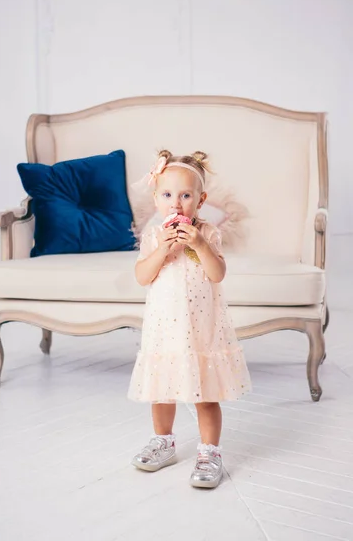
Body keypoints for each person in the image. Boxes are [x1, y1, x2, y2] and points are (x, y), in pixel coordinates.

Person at [128, 149, 251, 488]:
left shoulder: (208, 233)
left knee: (205, 393)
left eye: (185, 195)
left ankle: (210, 451)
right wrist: (162, 251)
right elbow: (142, 276)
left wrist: (199, 244)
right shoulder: (155, 236)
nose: (176, 203)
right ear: (156, 199)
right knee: (161, 392)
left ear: (200, 200)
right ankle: (163, 442)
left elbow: (217, 273)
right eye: (167, 195)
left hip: (201, 330)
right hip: (165, 330)